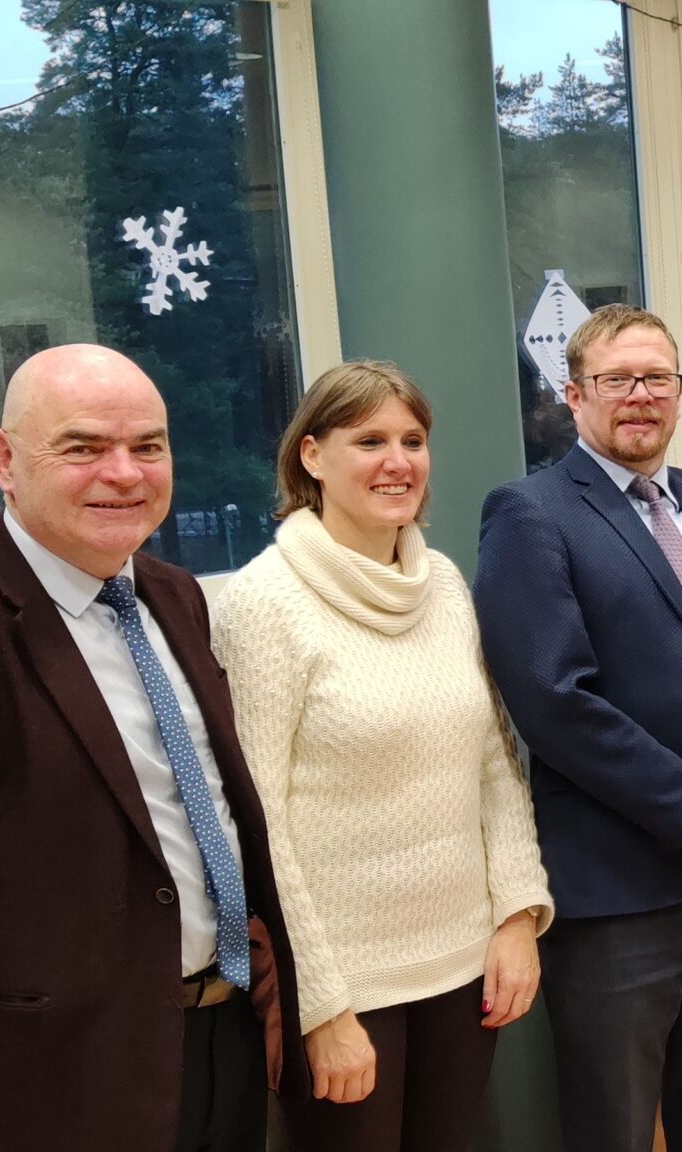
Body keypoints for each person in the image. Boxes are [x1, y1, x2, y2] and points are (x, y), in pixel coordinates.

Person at [0, 344, 306, 1151]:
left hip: (223, 1037)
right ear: (5, 460)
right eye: (83, 447)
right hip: (50, 1082)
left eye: (147, 445)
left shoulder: (174, 596)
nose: (124, 473)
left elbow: (191, 811)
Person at [473, 305, 682, 1150]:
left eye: (657, 378)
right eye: (617, 379)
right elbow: (554, 700)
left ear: (678, 391)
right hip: (617, 896)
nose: (640, 396)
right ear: (574, 394)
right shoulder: (531, 514)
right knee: (614, 1129)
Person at [211, 361, 556, 1151]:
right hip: (346, 985)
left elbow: (495, 765)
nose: (398, 462)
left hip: (464, 966)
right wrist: (319, 1005)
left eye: (412, 440)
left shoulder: (443, 585)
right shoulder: (264, 603)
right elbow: (256, 824)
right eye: (369, 441)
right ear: (312, 455)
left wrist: (516, 916)